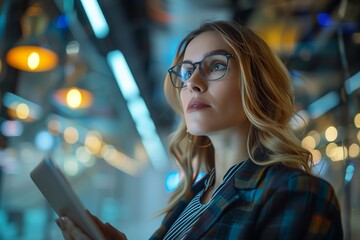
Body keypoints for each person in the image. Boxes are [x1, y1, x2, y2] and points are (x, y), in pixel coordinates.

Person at [56, 20, 343, 239]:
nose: (192, 81)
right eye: (185, 70)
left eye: (216, 65)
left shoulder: (295, 192)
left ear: (257, 84)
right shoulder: (191, 198)